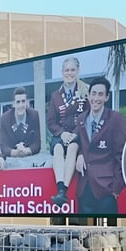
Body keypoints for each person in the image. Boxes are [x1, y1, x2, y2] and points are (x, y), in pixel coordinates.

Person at [74, 77, 126, 214]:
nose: (96, 98)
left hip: (106, 191)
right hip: (84, 190)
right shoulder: (81, 119)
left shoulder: (116, 119)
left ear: (106, 97)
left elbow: (123, 156)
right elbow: (81, 143)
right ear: (88, 95)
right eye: (93, 94)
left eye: (100, 94)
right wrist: (80, 154)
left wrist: (116, 189)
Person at [46, 56, 88, 205]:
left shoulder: (85, 91)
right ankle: (60, 191)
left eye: (72, 70)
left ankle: (63, 190)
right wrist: (62, 133)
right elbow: (51, 121)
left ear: (78, 71)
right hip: (61, 134)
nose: (69, 73)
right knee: (57, 149)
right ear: (62, 72)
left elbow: (87, 117)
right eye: (67, 70)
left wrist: (74, 134)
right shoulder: (56, 95)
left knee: (72, 149)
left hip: (78, 134)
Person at [0, 87, 42, 158]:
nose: (21, 105)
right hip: (11, 157)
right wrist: (16, 152)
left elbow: (37, 144)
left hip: (30, 157)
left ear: (27, 102)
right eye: (18, 102)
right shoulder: (5, 118)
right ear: (13, 104)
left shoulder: (34, 115)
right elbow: (3, 146)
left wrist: (26, 150)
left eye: (23, 101)